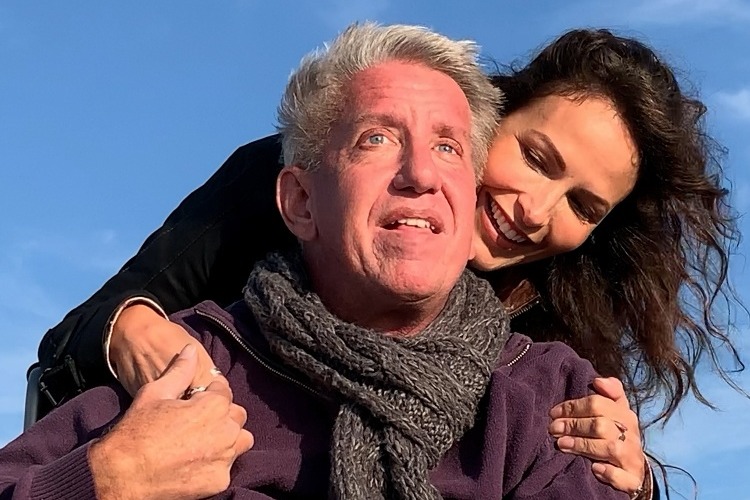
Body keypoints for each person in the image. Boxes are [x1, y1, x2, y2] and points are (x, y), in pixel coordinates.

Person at [35, 27, 740, 497]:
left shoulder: (546, 358)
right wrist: (129, 328)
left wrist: (632, 479)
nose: (535, 209)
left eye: (582, 206)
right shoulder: (284, 190)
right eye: (534, 157)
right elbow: (73, 345)